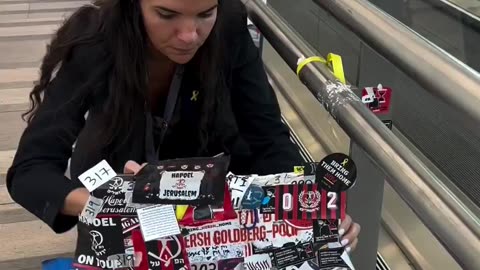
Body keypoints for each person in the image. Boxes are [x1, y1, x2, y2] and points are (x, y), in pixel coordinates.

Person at [6, 0, 360, 253]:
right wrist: (108, 208)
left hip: (203, 190)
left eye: (205, 13)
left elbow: (267, 136)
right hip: (115, 181)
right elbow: (30, 170)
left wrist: (308, 206)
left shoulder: (229, 27)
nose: (190, 35)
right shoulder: (96, 39)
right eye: (166, 14)